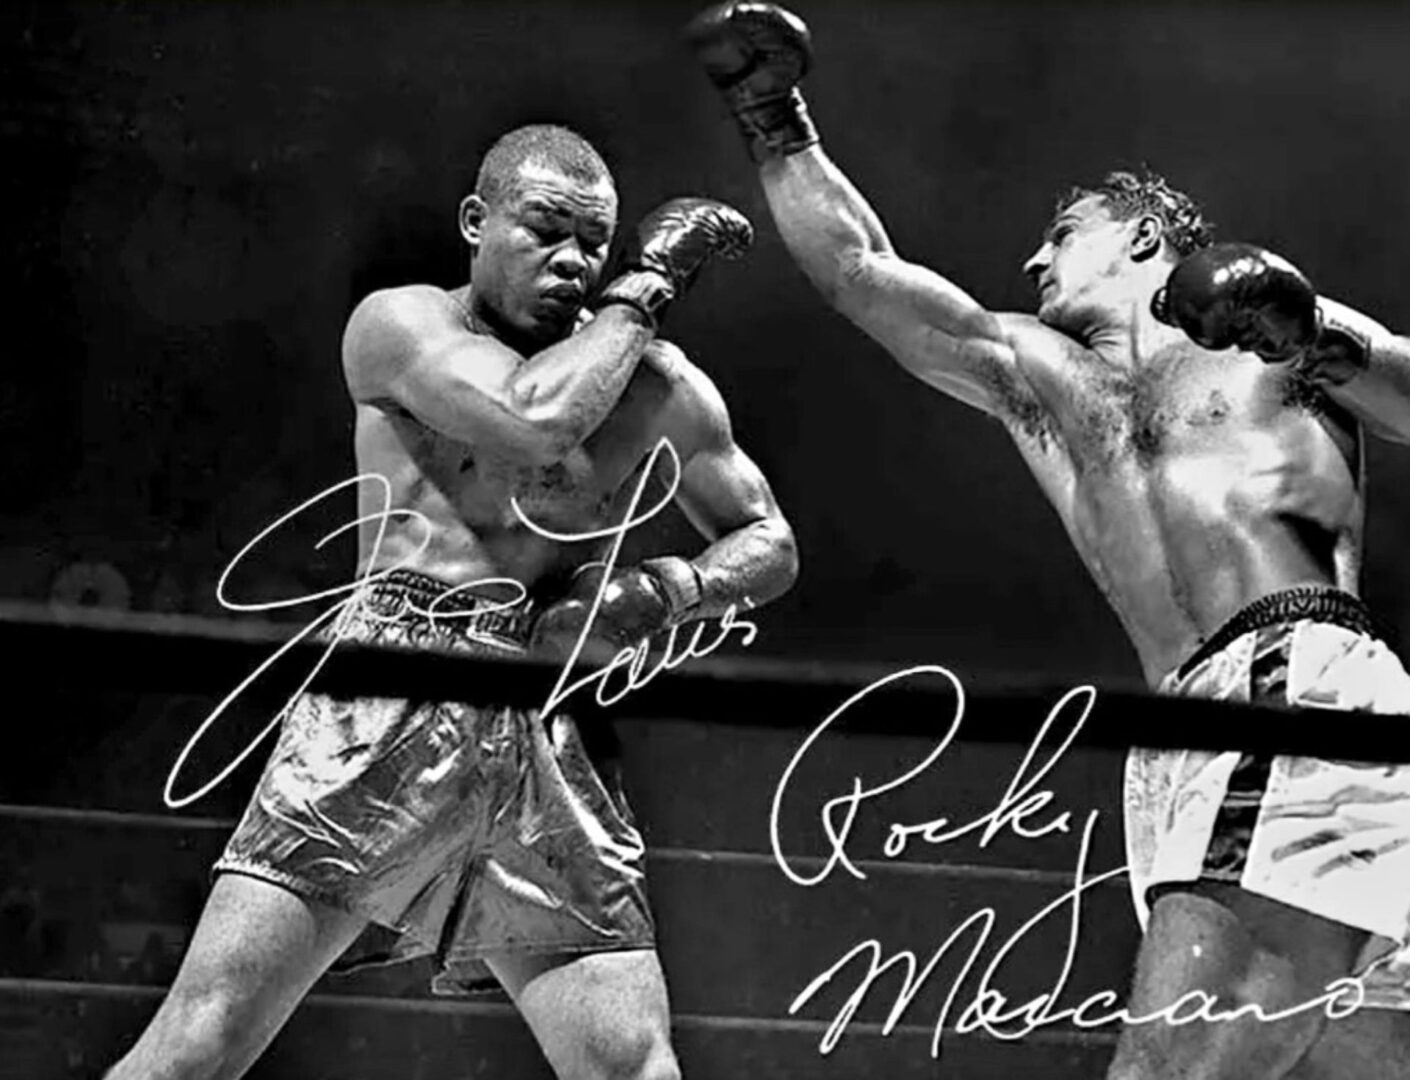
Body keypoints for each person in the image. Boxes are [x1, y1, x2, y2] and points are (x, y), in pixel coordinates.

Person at [687, 5, 1410, 1078]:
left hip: (1291, 685)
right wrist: (772, 114)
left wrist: (1312, 330)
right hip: (1185, 725)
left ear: (1141, 237)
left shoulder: (1273, 338)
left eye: (1059, 232)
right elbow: (860, 273)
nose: (1031, 257)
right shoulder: (1041, 378)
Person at [107, 123, 798, 1080]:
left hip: (545, 710)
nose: (574, 262)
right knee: (203, 1040)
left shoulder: (656, 384)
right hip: (392, 682)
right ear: (477, 221)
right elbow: (532, 420)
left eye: (594, 245)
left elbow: (769, 540)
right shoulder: (399, 327)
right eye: (545, 229)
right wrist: (645, 286)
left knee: (632, 1065)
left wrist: (662, 589)